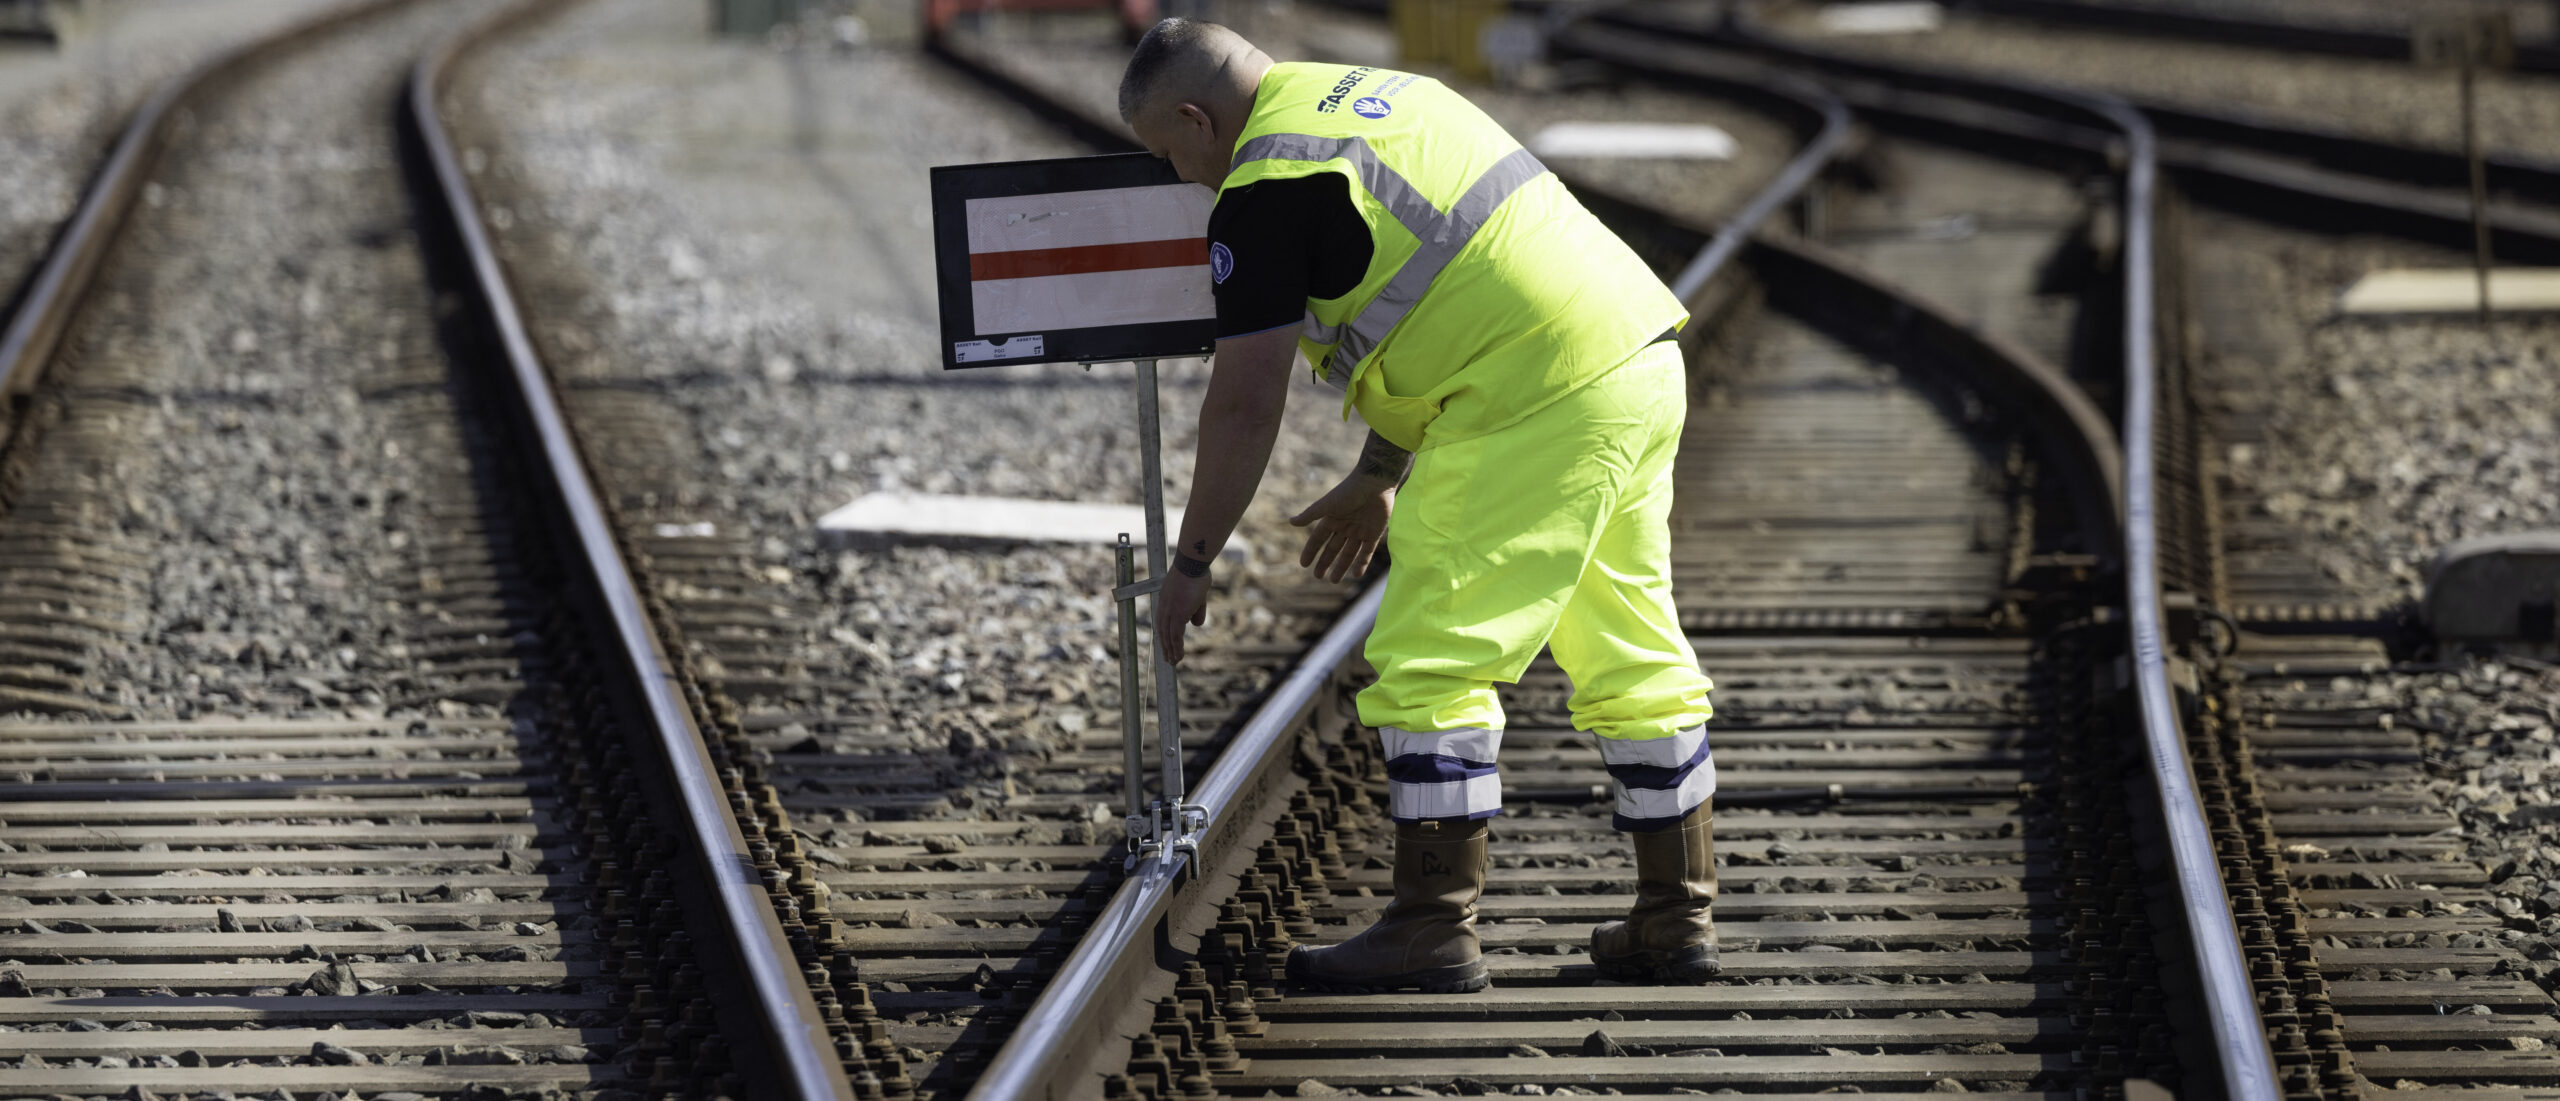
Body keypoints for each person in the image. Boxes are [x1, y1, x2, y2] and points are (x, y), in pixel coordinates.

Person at [1122, 18, 1719, 993]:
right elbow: (1450, 277)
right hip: (1634, 361)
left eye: (1168, 154)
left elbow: (1244, 402)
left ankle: (1433, 926)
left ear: (1195, 118)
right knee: (1629, 648)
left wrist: (1191, 563)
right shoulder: (1387, 96)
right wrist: (1379, 468)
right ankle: (1676, 911)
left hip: (1525, 400)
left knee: (1432, 659)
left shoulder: (1263, 189)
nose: (1180, 175)